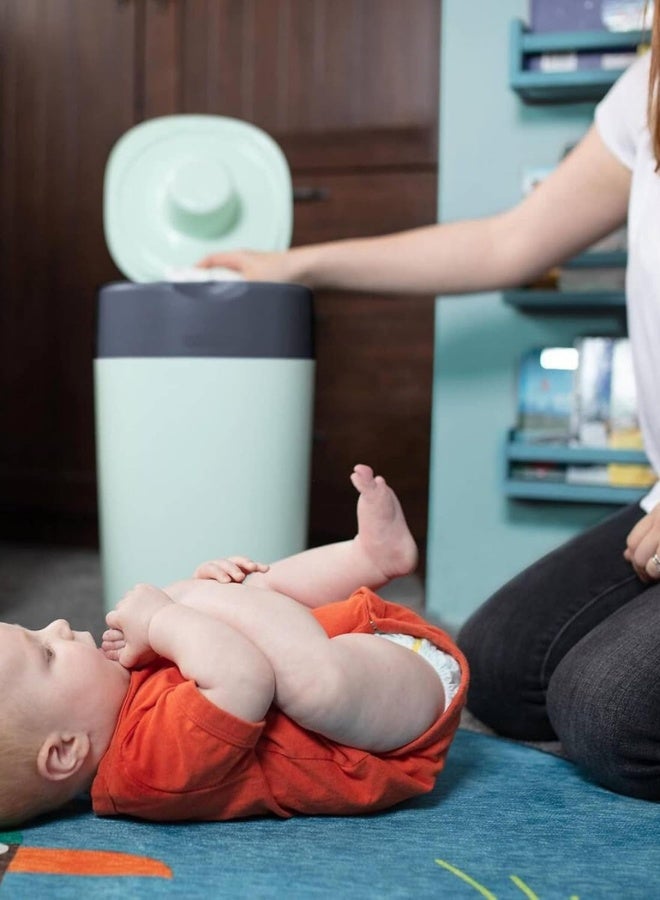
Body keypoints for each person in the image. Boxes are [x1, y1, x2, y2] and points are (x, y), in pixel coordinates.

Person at [198, 11, 660, 801]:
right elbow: (505, 244)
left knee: (610, 718)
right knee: (499, 668)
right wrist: (297, 263)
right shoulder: (644, 92)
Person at [0, 465, 467, 827]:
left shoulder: (123, 692)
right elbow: (244, 677)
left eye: (36, 629)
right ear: (64, 751)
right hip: (384, 728)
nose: (58, 623)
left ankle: (366, 556)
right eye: (47, 653)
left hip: (353, 650)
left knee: (246, 594)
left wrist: (204, 597)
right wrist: (171, 614)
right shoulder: (144, 766)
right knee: (306, 682)